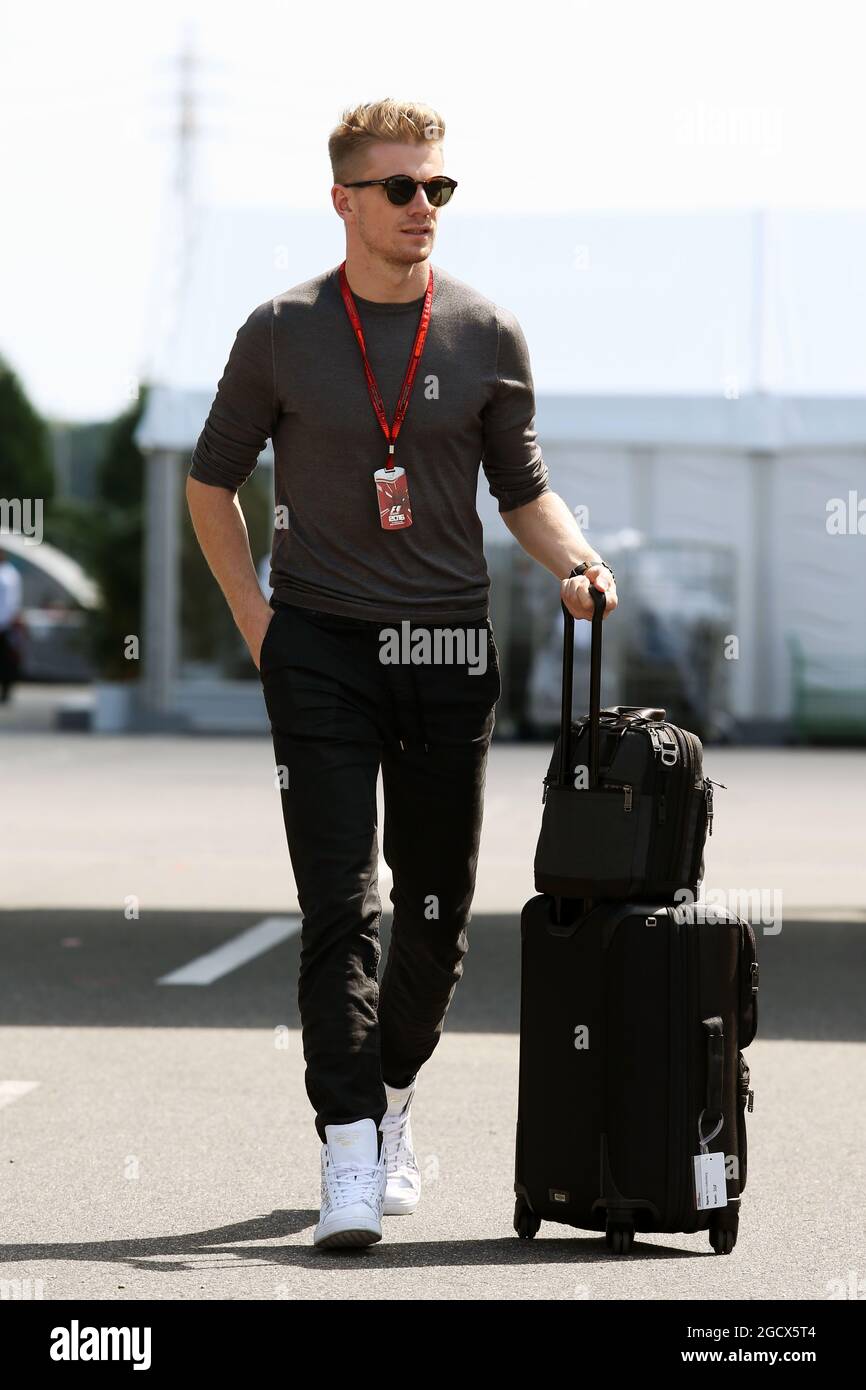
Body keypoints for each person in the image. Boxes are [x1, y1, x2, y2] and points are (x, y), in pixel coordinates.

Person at [186, 98, 618, 1251]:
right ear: (343, 200)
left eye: (438, 188)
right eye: (400, 189)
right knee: (343, 900)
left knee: (434, 909)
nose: (423, 207)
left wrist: (575, 562)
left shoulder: (484, 332)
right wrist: (258, 624)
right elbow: (209, 483)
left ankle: (391, 1100)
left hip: (444, 647)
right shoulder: (279, 330)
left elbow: (521, 492)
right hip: (318, 642)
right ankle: (345, 1144)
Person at [0, 546, 23, 703]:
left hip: (5, 623)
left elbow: (12, 601)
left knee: (6, 660)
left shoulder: (9, 574)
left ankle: (6, 691)